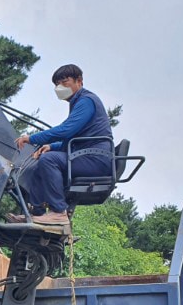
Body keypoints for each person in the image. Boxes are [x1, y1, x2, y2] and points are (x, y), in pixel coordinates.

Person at [12, 64, 113, 227]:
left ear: (79, 81)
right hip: (84, 154)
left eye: (64, 82)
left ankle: (58, 212)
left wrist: (31, 138)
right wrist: (52, 147)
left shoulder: (86, 101)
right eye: (57, 84)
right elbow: (76, 137)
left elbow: (66, 130)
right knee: (42, 160)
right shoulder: (78, 102)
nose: (60, 88)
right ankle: (36, 212)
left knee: (49, 160)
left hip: (96, 158)